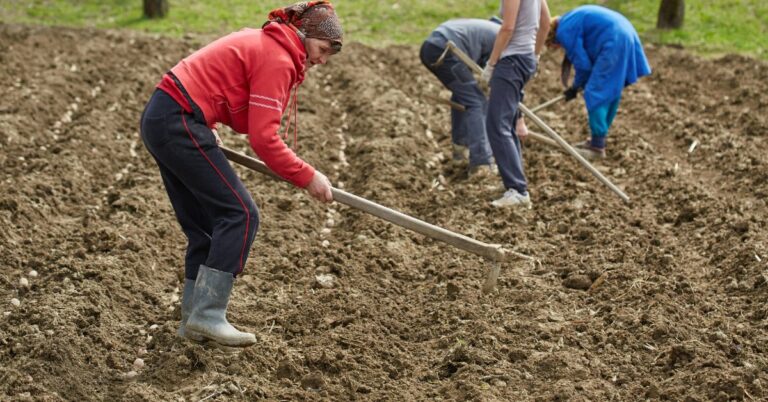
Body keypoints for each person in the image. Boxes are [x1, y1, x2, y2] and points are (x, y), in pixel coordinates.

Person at [139, 1, 343, 347]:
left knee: (205, 227)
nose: (322, 60)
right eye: (323, 49)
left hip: (164, 116)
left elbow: (216, 83)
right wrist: (308, 176)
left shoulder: (265, 42)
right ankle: (208, 314)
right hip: (178, 119)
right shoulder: (277, 59)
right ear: (304, 35)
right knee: (240, 214)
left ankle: (192, 322)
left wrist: (208, 121)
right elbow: (264, 139)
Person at [546, 5, 651, 160]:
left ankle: (597, 146)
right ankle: (598, 139)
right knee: (610, 90)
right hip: (626, 33)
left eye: (553, 46)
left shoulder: (564, 31)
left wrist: (576, 87)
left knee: (595, 92)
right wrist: (577, 85)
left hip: (614, 39)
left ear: (552, 38)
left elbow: (583, 64)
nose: (558, 48)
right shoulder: (569, 18)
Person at [481, 0, 551, 207]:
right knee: (508, 125)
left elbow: (507, 27)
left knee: (497, 125)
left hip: (510, 62)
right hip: (525, 58)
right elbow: (545, 22)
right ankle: (515, 184)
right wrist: (535, 55)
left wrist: (491, 63)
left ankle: (518, 190)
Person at [419, 18, 500, 177]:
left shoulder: (493, 29)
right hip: (445, 50)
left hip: (431, 46)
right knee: (476, 102)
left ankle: (460, 152)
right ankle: (482, 163)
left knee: (464, 95)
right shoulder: (507, 41)